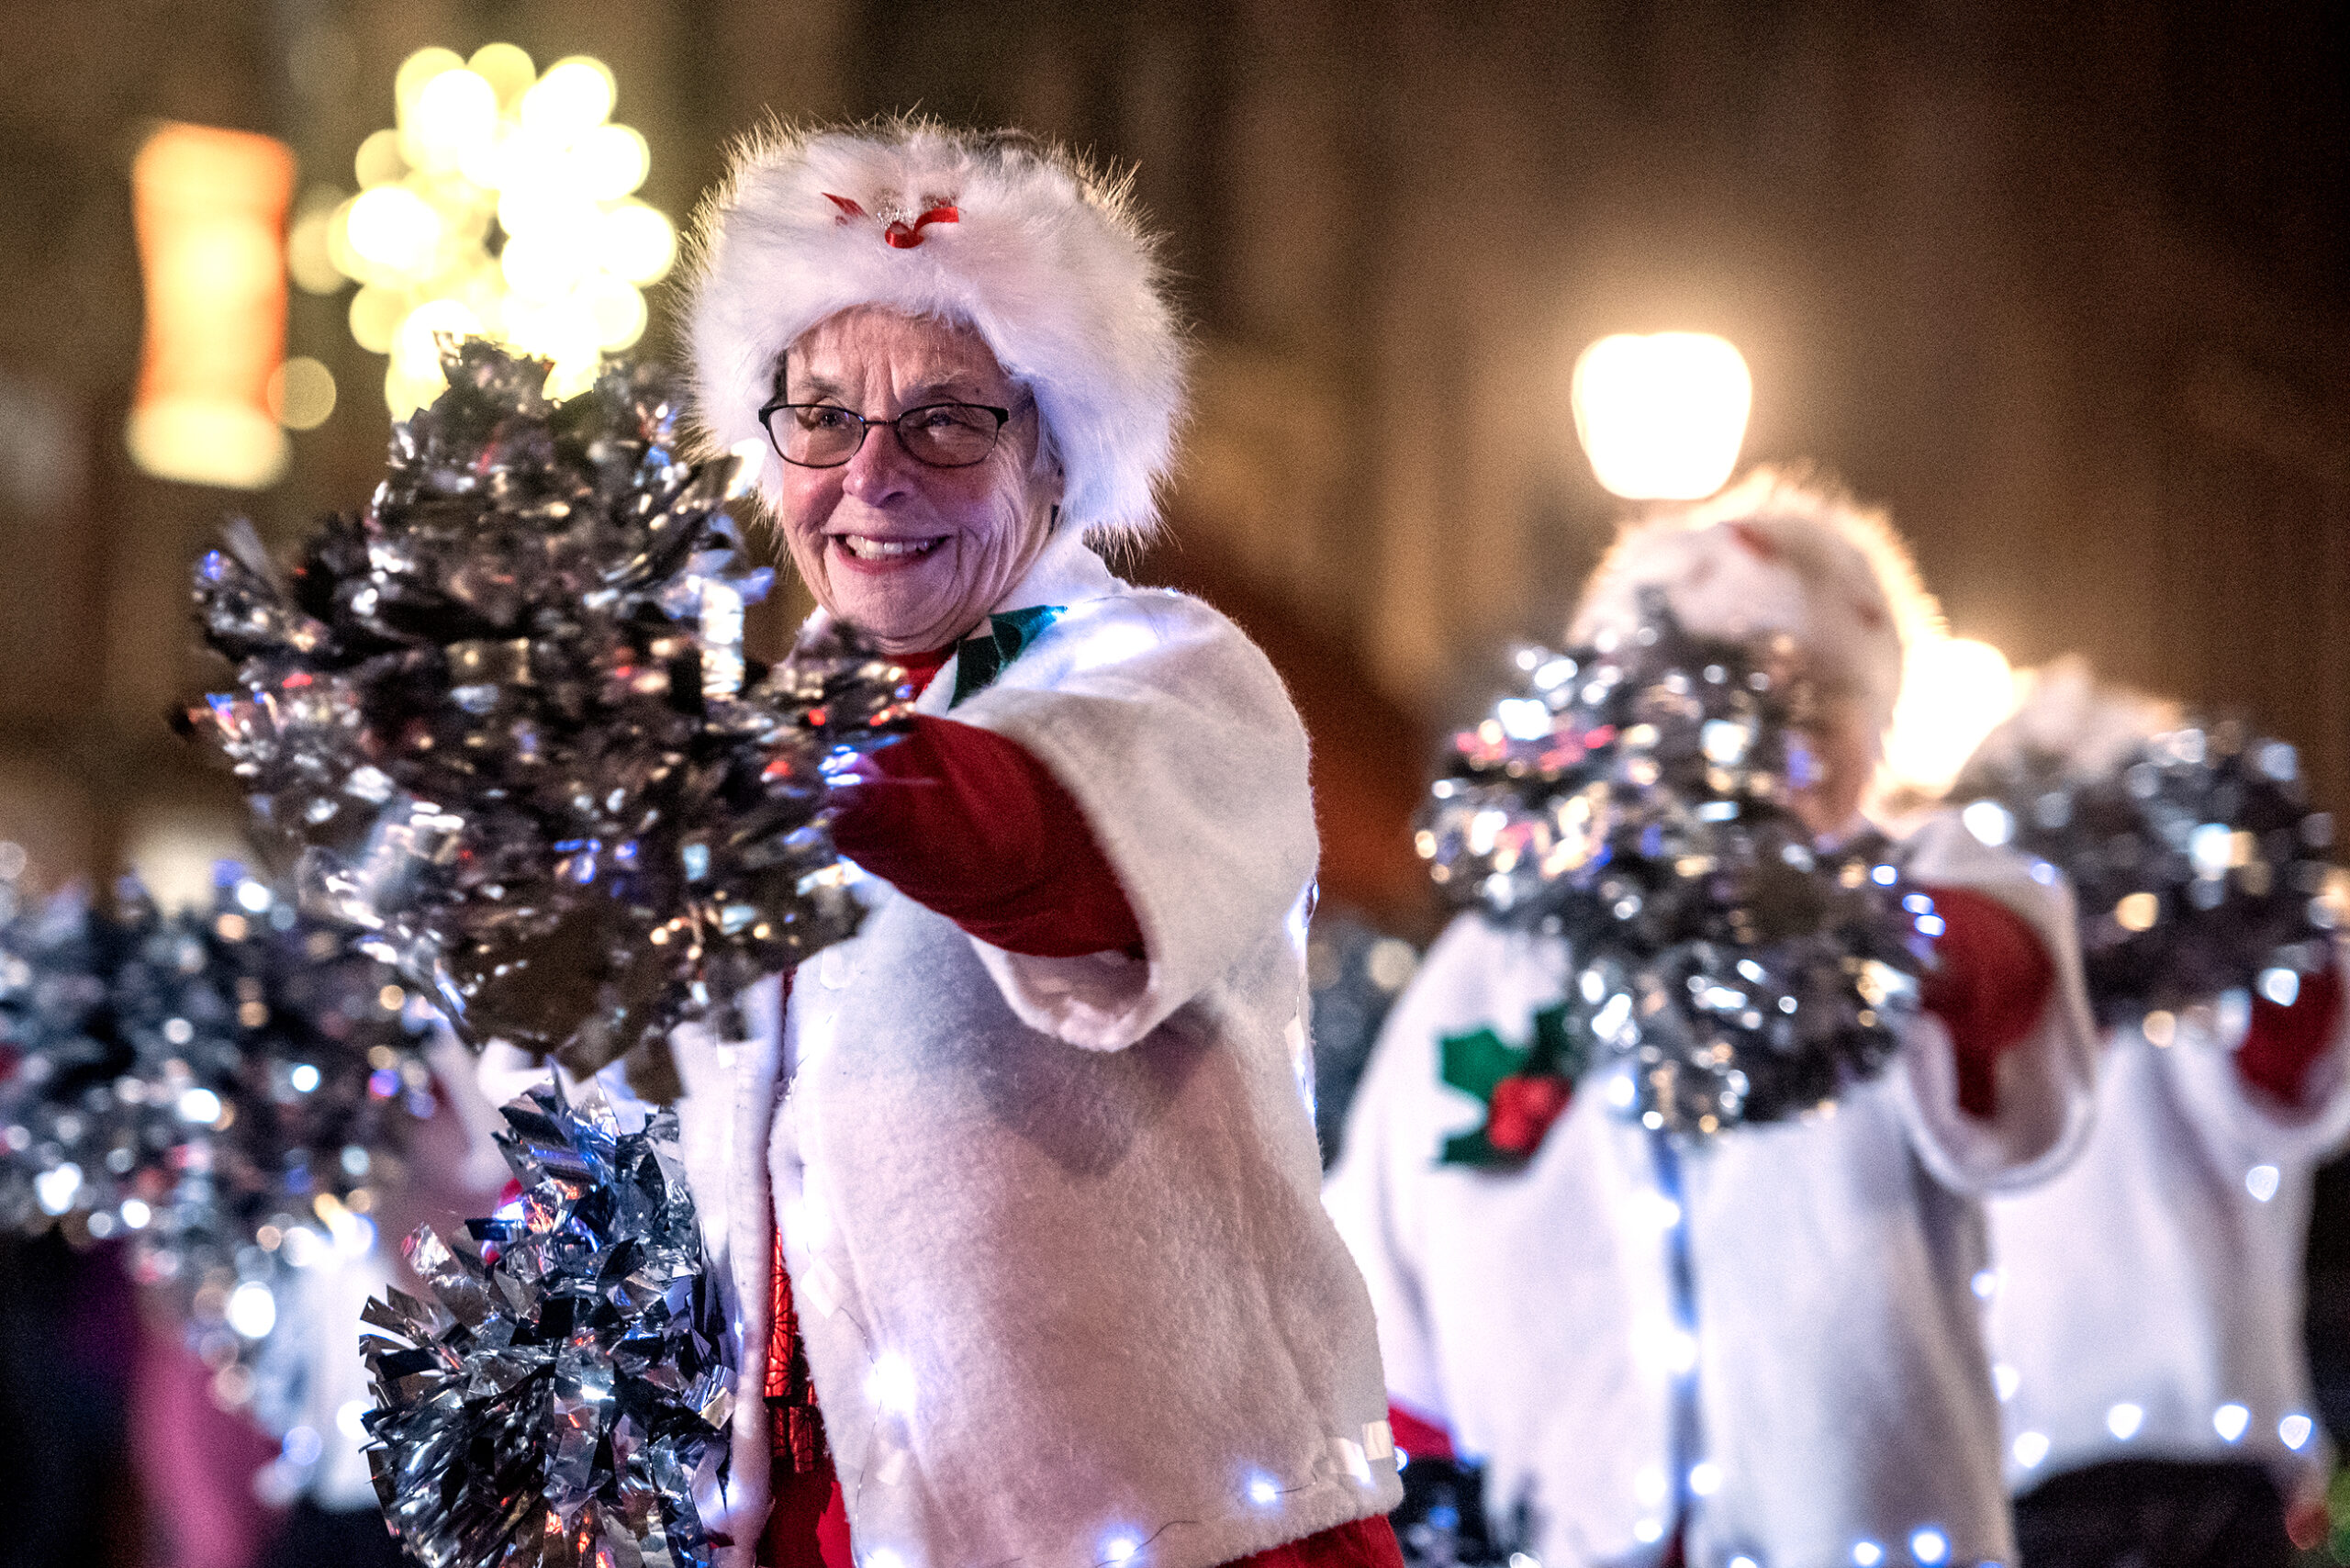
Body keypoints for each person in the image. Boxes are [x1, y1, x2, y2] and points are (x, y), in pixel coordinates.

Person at [665, 118, 1402, 1568]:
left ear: (1056, 453)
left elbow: (1040, 848)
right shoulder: (735, 751)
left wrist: (775, 757)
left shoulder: (1175, 678)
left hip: (1177, 1534)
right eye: (822, 416)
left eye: (947, 419)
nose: (874, 478)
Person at [1324, 471, 2100, 1568]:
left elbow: (2008, 991)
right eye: (1698, 686)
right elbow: (1375, 1286)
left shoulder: (1917, 884)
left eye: (1813, 696)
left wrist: (1821, 916)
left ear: (1877, 737)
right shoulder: (1499, 964)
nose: (1759, 738)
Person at [1968, 665, 2350, 1568]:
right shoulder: (1990, 1014)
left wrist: (2252, 907)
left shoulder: (2221, 982)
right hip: (2031, 1470)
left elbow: (2294, 1089)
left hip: (2212, 1461)